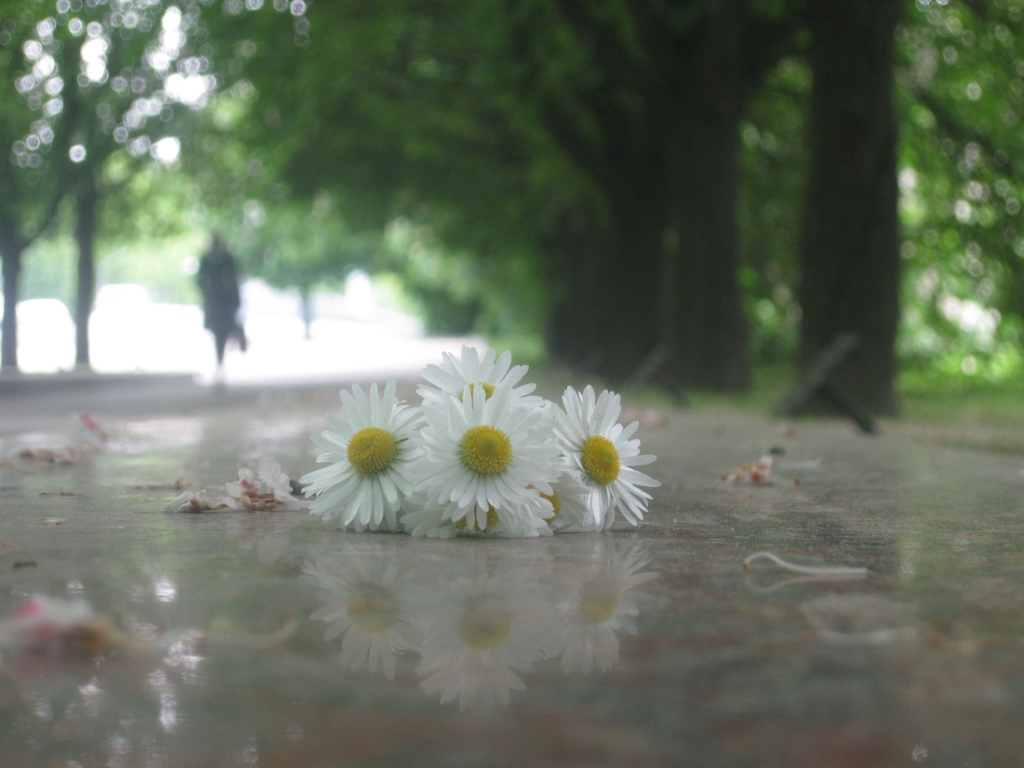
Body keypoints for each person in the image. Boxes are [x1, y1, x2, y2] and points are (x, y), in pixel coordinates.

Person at [197, 232, 244, 369]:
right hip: (224, 302)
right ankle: (220, 359)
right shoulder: (226, 258)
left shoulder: (207, 259)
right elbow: (234, 280)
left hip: (216, 302)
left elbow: (200, 281)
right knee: (222, 330)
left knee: (220, 331)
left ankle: (220, 359)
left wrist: (208, 293)